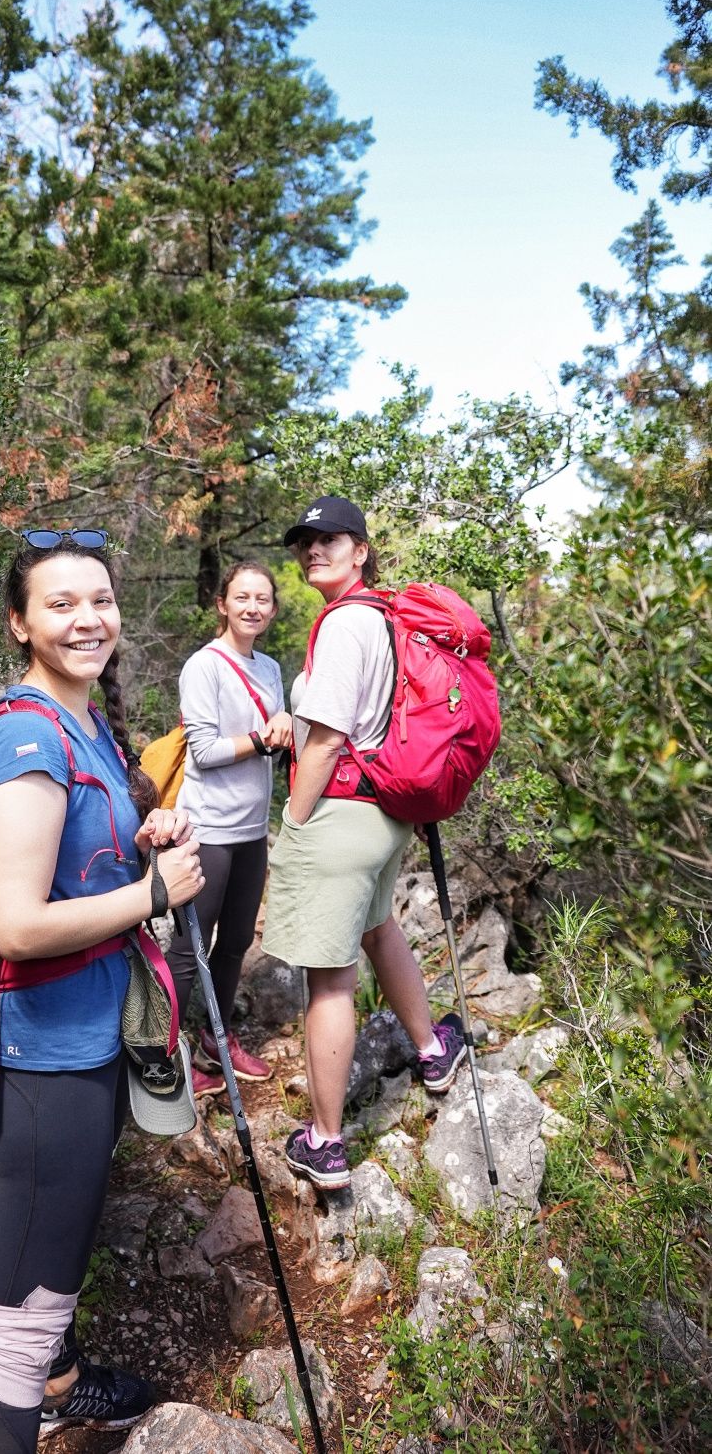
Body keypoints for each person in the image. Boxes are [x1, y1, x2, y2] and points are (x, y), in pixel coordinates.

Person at [0, 529, 204, 1452]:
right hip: (39, 1054)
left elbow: (71, 858)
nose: (87, 618)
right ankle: (31, 1395)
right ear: (20, 624)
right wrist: (151, 895)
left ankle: (62, 1382)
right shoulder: (24, 736)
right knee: (18, 1310)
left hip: (83, 1039)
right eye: (60, 604)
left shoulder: (85, 724)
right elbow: (13, 925)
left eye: (99, 599)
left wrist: (138, 837)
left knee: (51, 1268)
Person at [262, 497, 465, 1192]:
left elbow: (324, 741)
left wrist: (292, 820)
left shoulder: (346, 623)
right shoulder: (380, 616)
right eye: (304, 540)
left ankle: (323, 1143)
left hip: (341, 814)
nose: (313, 549)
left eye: (330, 539)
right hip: (383, 815)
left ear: (360, 549)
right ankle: (431, 1050)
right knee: (380, 929)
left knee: (330, 980)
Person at [161, 560, 293, 1099]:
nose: (252, 608)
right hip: (208, 830)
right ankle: (165, 1056)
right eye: (242, 597)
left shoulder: (271, 669)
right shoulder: (204, 666)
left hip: (250, 830)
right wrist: (263, 740)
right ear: (223, 604)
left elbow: (280, 734)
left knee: (236, 941)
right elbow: (205, 751)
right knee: (190, 947)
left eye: (262, 599)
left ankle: (216, 1041)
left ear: (273, 609)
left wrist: (287, 730)